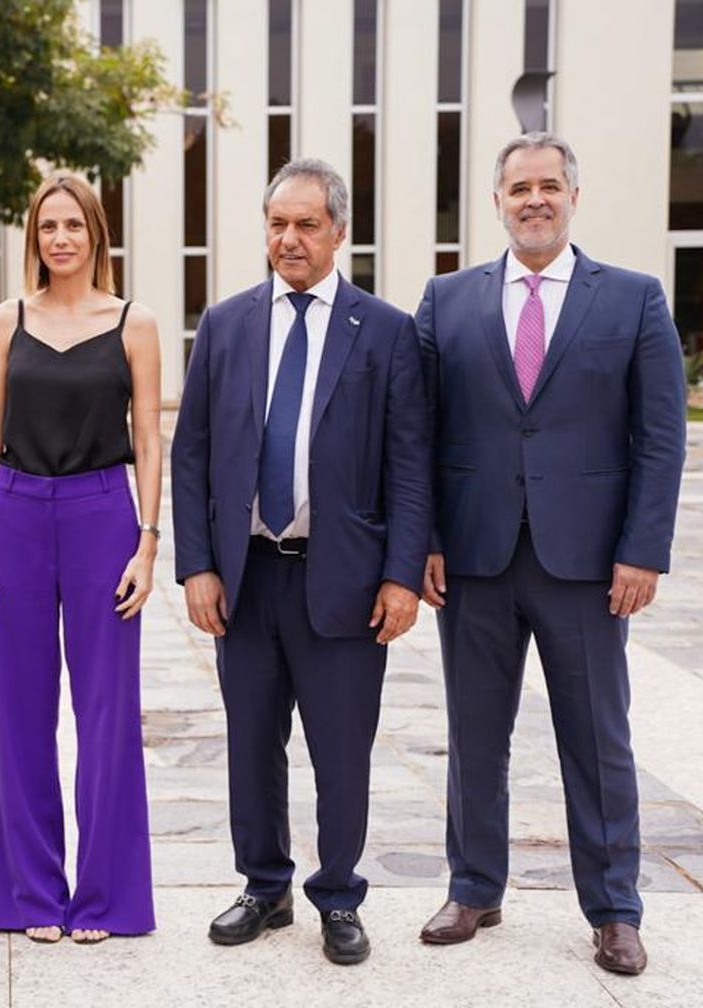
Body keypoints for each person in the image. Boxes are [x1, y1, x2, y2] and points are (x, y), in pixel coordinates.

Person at [413, 133, 686, 976]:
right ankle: (474, 886)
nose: (534, 198)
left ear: (574, 196)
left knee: (598, 739)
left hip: (589, 567)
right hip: (475, 558)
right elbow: (415, 435)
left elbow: (661, 438)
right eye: (518, 187)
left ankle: (613, 909)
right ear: (496, 201)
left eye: (549, 185)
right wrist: (420, 540)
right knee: (474, 736)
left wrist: (642, 550)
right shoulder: (447, 298)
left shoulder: (634, 300)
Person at [171, 158, 430, 966]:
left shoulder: (384, 331)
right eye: (277, 224)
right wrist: (197, 566)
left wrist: (400, 575)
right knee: (251, 740)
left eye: (306, 224)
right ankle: (263, 885)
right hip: (246, 578)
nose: (288, 239)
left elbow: (409, 464)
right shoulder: (226, 324)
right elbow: (193, 455)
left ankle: (340, 895)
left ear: (339, 233)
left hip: (344, 581)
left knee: (341, 748)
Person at [0, 173, 160, 945]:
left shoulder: (134, 322)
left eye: (73, 225)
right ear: (33, 239)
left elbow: (148, 437)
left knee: (107, 711)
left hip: (103, 516)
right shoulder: (6, 320)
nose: (61, 239)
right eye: (48, 227)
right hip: (13, 513)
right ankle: (30, 895)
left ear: (96, 234)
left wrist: (148, 540)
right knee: (15, 709)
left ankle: (106, 901)